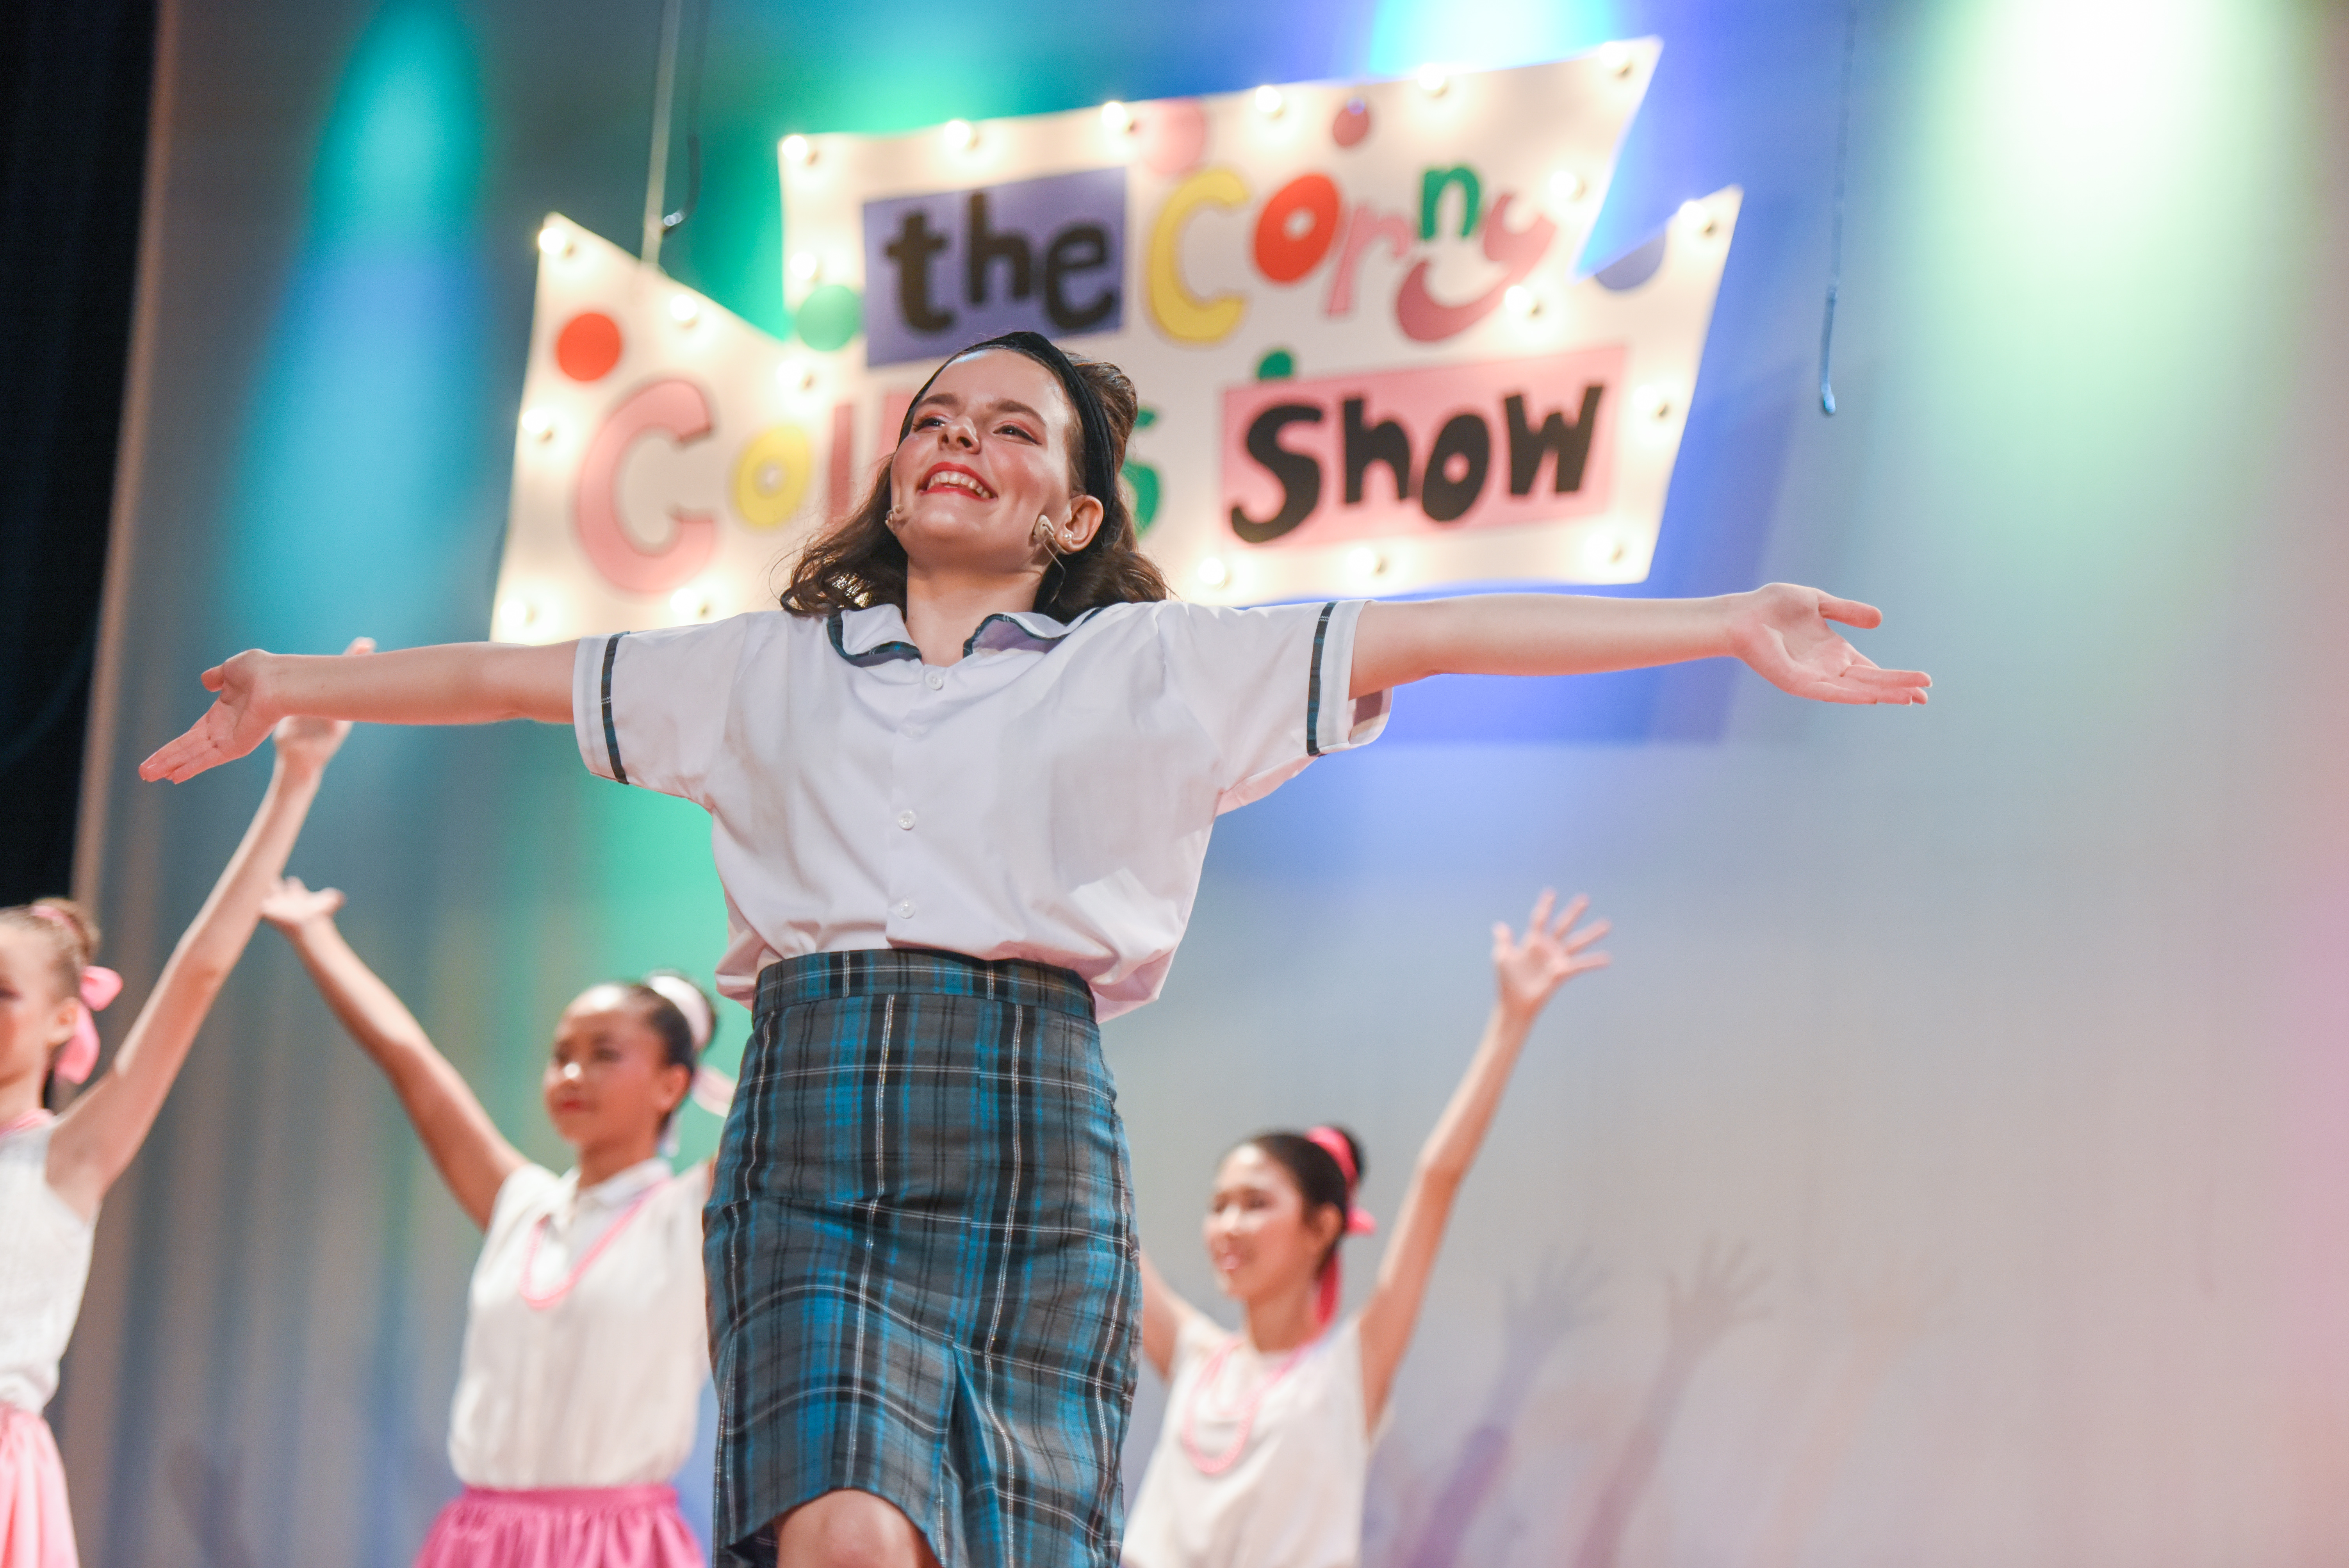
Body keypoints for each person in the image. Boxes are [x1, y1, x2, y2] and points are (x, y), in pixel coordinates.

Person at [135, 330, 1928, 1568]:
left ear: (1070, 513)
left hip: (1032, 1114)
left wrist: (1723, 619)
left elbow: (1441, 623)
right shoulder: (760, 666)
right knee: (840, 1527)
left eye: (1011, 429)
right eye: (935, 416)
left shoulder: (1153, 670)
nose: (960, 440)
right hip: (814, 1111)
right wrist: (296, 681)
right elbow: (507, 678)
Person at [1121, 890, 1609, 1568]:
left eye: (1256, 1203)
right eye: (1220, 1203)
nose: (1228, 1225)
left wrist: (1511, 1021)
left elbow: (1438, 1179)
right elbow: (1109, 1222)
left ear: (1323, 1227)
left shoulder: (1348, 1373)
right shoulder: (1198, 1357)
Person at [258, 876, 721, 1568]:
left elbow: (788, 1094)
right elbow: (409, 1061)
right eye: (561, 1054)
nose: (572, 1075)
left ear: (672, 1085)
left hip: (616, 1547)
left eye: (604, 1055)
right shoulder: (523, 1207)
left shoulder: (693, 1213)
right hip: (482, 1542)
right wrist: (312, 934)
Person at [2, 686, 356, 1568]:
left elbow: (196, 974)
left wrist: (295, 781)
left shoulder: (64, 1156)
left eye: (2, 994)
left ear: (60, 1022)